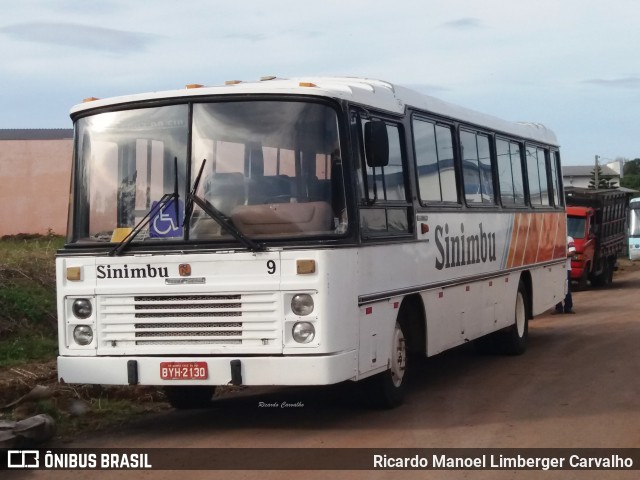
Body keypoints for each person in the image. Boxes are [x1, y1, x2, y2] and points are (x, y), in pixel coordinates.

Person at [555, 236, 576, 314]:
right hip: (556, 268)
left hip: (566, 268)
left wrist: (560, 255)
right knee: (556, 288)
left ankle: (568, 307)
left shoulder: (569, 239)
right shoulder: (555, 239)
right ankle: (558, 308)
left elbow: (572, 252)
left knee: (566, 288)